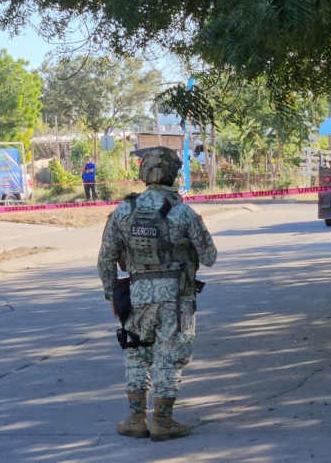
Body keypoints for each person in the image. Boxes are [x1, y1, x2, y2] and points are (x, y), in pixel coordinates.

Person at [97, 147, 217, 442]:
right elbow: (209, 257)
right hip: (176, 297)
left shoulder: (124, 211)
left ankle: (135, 420)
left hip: (136, 295)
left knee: (137, 354)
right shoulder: (182, 212)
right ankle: (163, 421)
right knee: (169, 356)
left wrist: (112, 295)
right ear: (173, 174)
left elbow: (105, 259)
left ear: (143, 173)